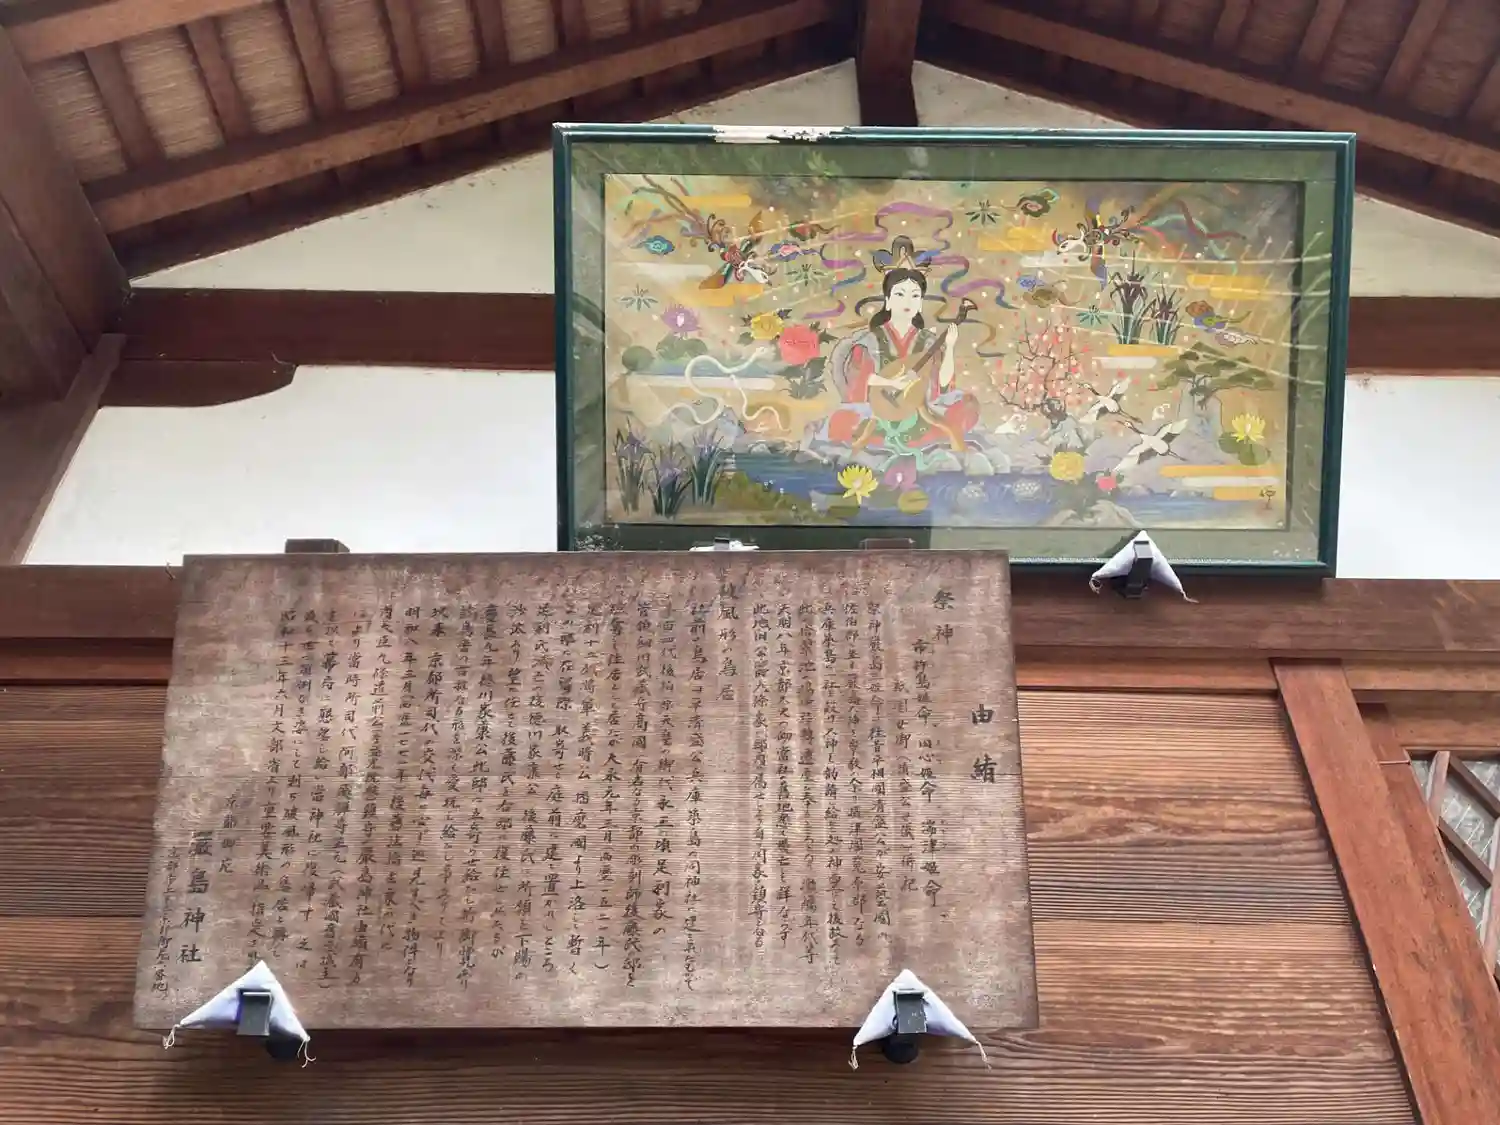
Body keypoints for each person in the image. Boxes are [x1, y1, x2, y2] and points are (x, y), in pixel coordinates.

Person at [821, 238, 979, 463]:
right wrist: (892, 383)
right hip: (879, 411)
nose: (908, 302)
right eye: (900, 294)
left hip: (918, 412)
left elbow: (943, 383)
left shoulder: (928, 341)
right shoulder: (870, 340)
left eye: (914, 296)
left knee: (966, 406)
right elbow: (864, 380)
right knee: (842, 421)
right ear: (887, 299)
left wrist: (951, 346)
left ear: (921, 302)